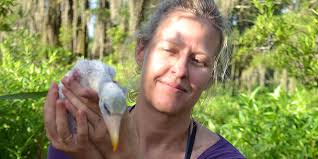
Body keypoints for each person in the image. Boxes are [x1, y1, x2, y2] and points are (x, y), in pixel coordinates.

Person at [44, 0, 245, 158]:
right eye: (169, 50)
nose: (180, 70)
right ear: (141, 51)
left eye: (198, 61)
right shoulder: (78, 136)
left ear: (211, 78)